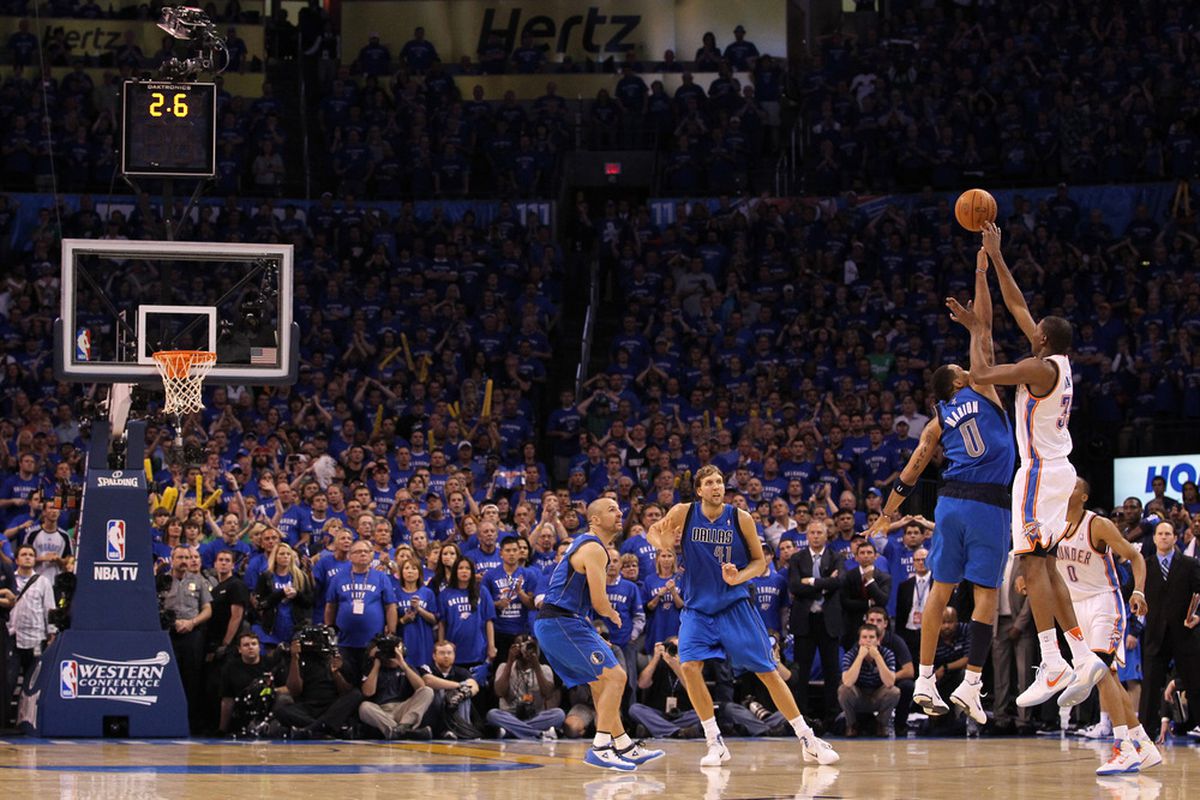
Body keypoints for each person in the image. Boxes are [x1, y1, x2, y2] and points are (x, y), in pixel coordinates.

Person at [957, 222, 1108, 709]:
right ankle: (1079, 653)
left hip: (1040, 471)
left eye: (1035, 328)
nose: (1030, 324)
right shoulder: (1057, 362)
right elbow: (1018, 304)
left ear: (1042, 339)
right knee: (1044, 564)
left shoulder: (1037, 368)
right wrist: (997, 258)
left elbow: (980, 374)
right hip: (1059, 470)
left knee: (1028, 563)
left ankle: (1051, 658)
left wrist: (975, 328)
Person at [870, 243, 1014, 727]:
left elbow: (910, 472)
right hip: (988, 505)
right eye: (962, 369)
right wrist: (980, 266)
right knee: (986, 594)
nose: (968, 368)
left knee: (940, 590)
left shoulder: (937, 420)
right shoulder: (984, 388)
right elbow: (986, 329)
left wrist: (887, 514)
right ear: (959, 382)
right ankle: (972, 685)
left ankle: (926, 680)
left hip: (950, 504)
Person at [648, 466, 838, 767]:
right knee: (689, 666)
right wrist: (665, 545)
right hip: (697, 608)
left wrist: (739, 578)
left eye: (720, 482)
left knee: (767, 671)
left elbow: (758, 561)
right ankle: (715, 741)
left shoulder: (740, 517)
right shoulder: (684, 512)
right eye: (709, 482)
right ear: (699, 490)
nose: (716, 487)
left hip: (734, 606)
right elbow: (653, 532)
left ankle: (807, 739)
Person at [534, 498, 663, 770]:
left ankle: (624, 744)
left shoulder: (590, 545)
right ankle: (601, 747)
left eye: (619, 508)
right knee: (617, 676)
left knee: (602, 683)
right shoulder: (593, 548)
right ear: (594, 519)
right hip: (560, 622)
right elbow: (599, 602)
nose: (620, 513)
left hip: (567, 622)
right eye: (612, 509)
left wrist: (591, 630)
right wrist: (613, 615)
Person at [1054, 478, 1162, 774]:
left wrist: (1138, 591)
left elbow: (1135, 556)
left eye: (1073, 486)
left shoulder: (1097, 525)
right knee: (1110, 678)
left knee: (1100, 673)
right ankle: (1144, 744)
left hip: (1104, 603)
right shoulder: (1053, 523)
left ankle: (1123, 747)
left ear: (1084, 496)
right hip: (1076, 607)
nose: (1066, 488)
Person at [1139, 520, 1200, 744]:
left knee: (1195, 684)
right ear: (1154, 538)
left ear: (1175, 538)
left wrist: (1198, 616)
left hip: (1185, 635)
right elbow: (1131, 594)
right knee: (1150, 689)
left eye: (1168, 534)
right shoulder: (1144, 565)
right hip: (1155, 635)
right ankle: (1145, 735)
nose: (1164, 537)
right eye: (1160, 533)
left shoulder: (1189, 564)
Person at [787, 520, 843, 722]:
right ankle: (801, 717)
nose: (816, 535)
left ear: (826, 535)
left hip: (829, 621)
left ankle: (832, 718)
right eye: (812, 532)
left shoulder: (836, 557)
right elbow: (794, 586)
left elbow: (839, 582)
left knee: (832, 672)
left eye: (820, 532)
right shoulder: (797, 558)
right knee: (801, 672)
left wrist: (810, 581)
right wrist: (824, 584)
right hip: (805, 621)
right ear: (807, 536)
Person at [324, 540, 398, 684]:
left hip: (372, 642)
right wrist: (330, 628)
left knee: (369, 680)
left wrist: (392, 631)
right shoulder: (338, 577)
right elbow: (330, 605)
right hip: (345, 642)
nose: (363, 554)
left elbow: (390, 606)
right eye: (358, 552)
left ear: (372, 555)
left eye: (366, 551)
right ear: (350, 556)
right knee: (348, 680)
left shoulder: (381, 577)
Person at [163, 544, 212, 733]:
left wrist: (192, 622)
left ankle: (188, 723)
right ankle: (168, 720)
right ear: (172, 559)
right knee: (169, 677)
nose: (184, 561)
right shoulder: (162, 580)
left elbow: (208, 609)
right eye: (180, 558)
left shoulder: (198, 580)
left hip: (192, 635)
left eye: (186, 558)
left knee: (192, 679)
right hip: (169, 635)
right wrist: (173, 622)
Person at [1, 545, 56, 702]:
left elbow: (49, 608)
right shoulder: (9, 579)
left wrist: (51, 633)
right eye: (24, 554)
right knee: (8, 679)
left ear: (34, 559)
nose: (27, 557)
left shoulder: (43, 582)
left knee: (33, 680)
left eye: (31, 555)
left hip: (36, 637)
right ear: (17, 559)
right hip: (12, 635)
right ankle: (5, 718)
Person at [485, 634, 564, 740]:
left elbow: (548, 694)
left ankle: (510, 732)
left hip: (536, 715)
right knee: (492, 714)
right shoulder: (503, 667)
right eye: (521, 646)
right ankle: (539, 733)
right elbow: (500, 692)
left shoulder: (544, 669)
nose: (526, 650)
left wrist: (536, 665)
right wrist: (510, 661)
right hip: (509, 715)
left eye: (530, 646)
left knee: (559, 714)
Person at [358, 634, 435, 740]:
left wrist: (402, 664)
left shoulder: (407, 667)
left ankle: (401, 728)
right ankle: (405, 732)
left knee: (427, 691)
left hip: (403, 710)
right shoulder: (372, 669)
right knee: (364, 707)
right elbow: (368, 692)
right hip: (381, 711)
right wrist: (376, 664)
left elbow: (421, 687)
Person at [628, 636, 703, 739]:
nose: (675, 652)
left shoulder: (690, 665)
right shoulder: (658, 664)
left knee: (704, 712)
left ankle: (658, 729)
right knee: (634, 709)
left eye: (678, 649)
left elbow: (692, 689)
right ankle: (678, 731)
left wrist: (676, 666)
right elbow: (642, 684)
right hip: (659, 714)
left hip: (683, 714)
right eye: (672, 648)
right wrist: (656, 658)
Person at [218, 631, 285, 735]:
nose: (250, 647)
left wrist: (268, 690)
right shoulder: (230, 668)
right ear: (239, 649)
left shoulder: (271, 664)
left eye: (254, 644)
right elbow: (227, 700)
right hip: (243, 710)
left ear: (259, 647)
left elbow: (286, 688)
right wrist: (222, 729)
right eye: (246, 645)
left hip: (269, 708)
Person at [838, 624, 900, 737]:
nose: (868, 641)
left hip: (877, 695)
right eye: (864, 637)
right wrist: (860, 657)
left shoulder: (887, 654)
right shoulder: (850, 655)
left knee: (894, 691)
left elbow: (890, 683)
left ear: (878, 640)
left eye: (871, 637)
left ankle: (881, 724)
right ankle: (851, 725)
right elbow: (847, 682)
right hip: (858, 696)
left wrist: (877, 657)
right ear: (859, 640)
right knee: (843, 690)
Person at [253, 542, 313, 652]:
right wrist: (280, 594)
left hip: (295, 627)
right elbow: (261, 604)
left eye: (288, 554)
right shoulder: (266, 577)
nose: (285, 556)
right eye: (281, 554)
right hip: (273, 628)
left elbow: (309, 602)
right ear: (275, 557)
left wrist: (297, 595)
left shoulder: (300, 576)